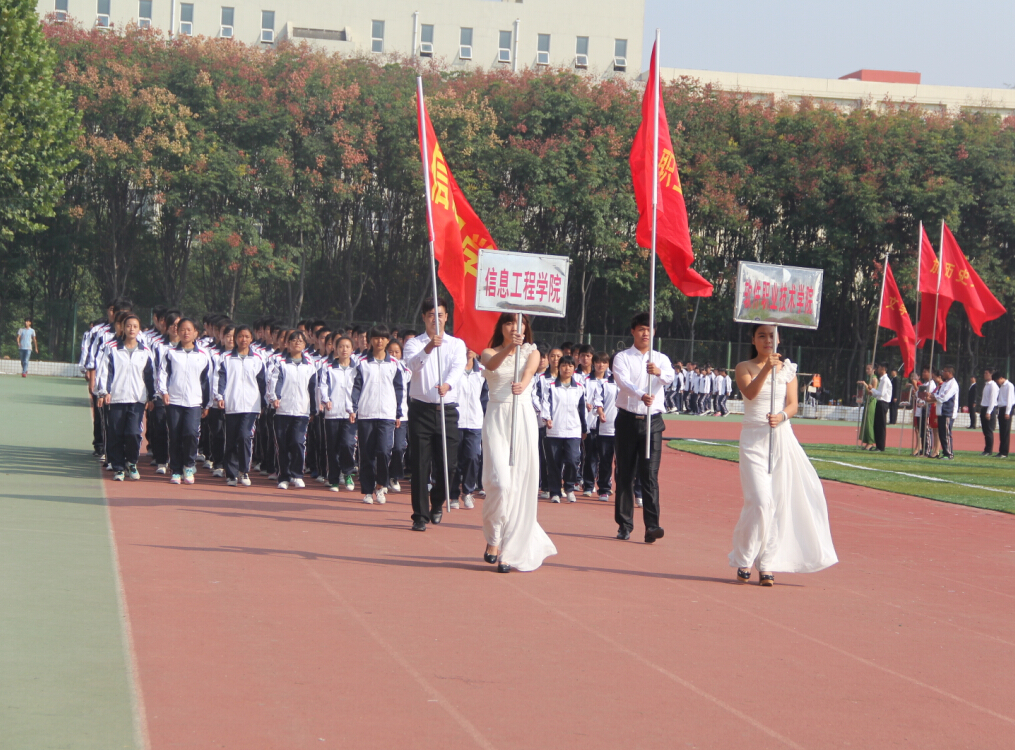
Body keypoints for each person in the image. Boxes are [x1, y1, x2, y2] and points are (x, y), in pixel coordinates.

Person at [730, 324, 838, 586]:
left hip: (780, 438)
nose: (768, 340)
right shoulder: (744, 367)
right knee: (760, 501)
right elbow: (750, 393)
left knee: (777, 501)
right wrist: (766, 369)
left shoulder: (788, 370)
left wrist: (781, 416)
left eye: (772, 335)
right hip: (754, 439)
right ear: (753, 340)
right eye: (762, 336)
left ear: (779, 339)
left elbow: (792, 404)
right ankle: (745, 557)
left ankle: (767, 563)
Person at [480, 313, 557, 573]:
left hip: (522, 417)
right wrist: (509, 348)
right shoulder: (489, 352)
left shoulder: (531, 352)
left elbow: (528, 373)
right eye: (510, 322)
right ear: (501, 327)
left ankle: (509, 551)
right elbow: (492, 366)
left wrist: (522, 385)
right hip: (497, 417)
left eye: (520, 322)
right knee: (499, 482)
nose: (515, 327)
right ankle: (494, 537)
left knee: (519, 484)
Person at [403, 298, 466, 531]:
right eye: (430, 315)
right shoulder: (414, 343)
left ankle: (437, 501)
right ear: (423, 317)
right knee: (420, 465)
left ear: (446, 317)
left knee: (449, 466)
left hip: (446, 411)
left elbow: (458, 368)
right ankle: (419, 516)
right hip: (421, 410)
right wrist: (429, 347)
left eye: (439, 315)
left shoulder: (456, 344)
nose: (435, 319)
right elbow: (412, 366)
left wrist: (447, 384)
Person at [611, 312, 673, 544]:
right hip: (628, 419)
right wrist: (640, 394)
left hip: (652, 422)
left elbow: (669, 377)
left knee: (649, 475)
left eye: (649, 329)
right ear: (633, 331)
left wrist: (658, 372)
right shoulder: (622, 357)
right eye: (641, 329)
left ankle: (652, 526)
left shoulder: (661, 359)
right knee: (625, 474)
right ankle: (625, 524)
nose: (645, 333)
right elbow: (623, 382)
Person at [94, 315, 155, 481]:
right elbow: (105, 371)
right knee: (116, 434)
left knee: (133, 433)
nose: (131, 329)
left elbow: (150, 375)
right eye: (128, 326)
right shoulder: (112, 348)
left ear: (139, 329)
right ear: (123, 328)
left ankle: (132, 462)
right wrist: (104, 392)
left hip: (137, 399)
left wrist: (151, 396)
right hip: (116, 398)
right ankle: (119, 468)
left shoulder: (145, 351)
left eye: (135, 326)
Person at [351, 325, 404, 504]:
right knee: (366, 454)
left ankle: (381, 486)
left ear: (388, 340)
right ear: (370, 340)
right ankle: (367, 490)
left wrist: (398, 413)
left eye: (383, 338)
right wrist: (353, 408)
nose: (379, 341)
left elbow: (399, 389)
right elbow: (356, 386)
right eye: (376, 338)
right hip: (366, 413)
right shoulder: (362, 362)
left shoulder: (395, 364)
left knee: (384, 451)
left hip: (387, 414)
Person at [157, 318, 214, 485]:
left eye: (189, 329)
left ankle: (189, 465)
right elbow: (163, 373)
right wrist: (164, 391)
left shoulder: (203, 354)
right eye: (182, 329)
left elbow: (208, 380)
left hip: (194, 402)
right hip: (174, 400)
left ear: (196, 333)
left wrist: (207, 403)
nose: (186, 332)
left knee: (190, 433)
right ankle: (175, 470)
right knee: (174, 435)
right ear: (178, 331)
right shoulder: (170, 353)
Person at [215, 325, 267, 487]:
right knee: (231, 440)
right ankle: (231, 474)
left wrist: (263, 403)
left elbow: (262, 383)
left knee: (245, 436)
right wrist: (220, 396)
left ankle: (244, 471)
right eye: (240, 336)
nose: (243, 339)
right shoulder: (226, 358)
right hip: (232, 404)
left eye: (247, 336)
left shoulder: (258, 359)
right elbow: (220, 379)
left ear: (251, 339)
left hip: (251, 406)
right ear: (236, 338)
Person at [267, 330, 319, 490]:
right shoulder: (281, 363)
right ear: (288, 344)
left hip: (301, 411)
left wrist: (313, 410)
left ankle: (297, 474)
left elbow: (313, 388)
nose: (297, 343)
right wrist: (275, 397)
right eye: (294, 340)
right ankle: (283, 476)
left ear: (305, 345)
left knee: (297, 442)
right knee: (282, 445)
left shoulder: (310, 366)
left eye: (300, 341)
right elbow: (275, 381)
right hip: (282, 410)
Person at [542, 355, 588, 504]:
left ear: (574, 368)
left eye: (570, 366)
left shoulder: (579, 388)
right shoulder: (550, 386)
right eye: (563, 365)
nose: (567, 368)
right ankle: (555, 492)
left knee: (573, 460)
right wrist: (547, 418)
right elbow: (546, 404)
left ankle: (569, 487)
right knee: (554, 463)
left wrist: (584, 428)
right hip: (554, 430)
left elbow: (582, 409)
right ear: (559, 367)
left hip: (573, 430)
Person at [318, 335, 359, 492]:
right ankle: (334, 479)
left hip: (350, 413)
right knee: (333, 447)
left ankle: (347, 473)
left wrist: (355, 407)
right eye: (341, 346)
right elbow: (323, 385)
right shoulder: (328, 367)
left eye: (347, 346)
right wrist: (326, 400)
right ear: (335, 348)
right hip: (332, 413)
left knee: (348, 444)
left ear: (352, 349)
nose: (344, 350)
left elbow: (359, 388)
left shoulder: (357, 368)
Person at [451, 349, 486, 510]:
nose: (468, 351)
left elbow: (485, 397)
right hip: (455, 421)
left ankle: (468, 491)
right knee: (455, 460)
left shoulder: (482, 371)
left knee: (473, 457)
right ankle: (453, 495)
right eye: (465, 347)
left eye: (471, 347)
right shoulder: (453, 369)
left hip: (474, 421)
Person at [927, 365, 958, 459]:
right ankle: (945, 452)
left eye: (944, 371)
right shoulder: (945, 383)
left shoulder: (952, 384)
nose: (943, 373)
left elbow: (944, 397)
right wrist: (931, 395)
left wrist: (932, 397)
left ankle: (949, 454)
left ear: (950, 373)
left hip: (948, 412)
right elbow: (937, 394)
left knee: (946, 434)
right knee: (942, 433)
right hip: (941, 411)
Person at [859, 363, 892, 452]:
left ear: (884, 369)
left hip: (883, 402)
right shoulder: (882, 379)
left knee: (880, 426)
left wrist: (872, 390)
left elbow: (881, 393)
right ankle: (878, 445)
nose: (878, 369)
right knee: (877, 425)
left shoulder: (885, 380)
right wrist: (872, 392)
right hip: (879, 402)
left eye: (880, 367)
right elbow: (878, 393)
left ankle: (880, 446)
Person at [991, 372, 1013, 458]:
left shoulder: (1009, 386)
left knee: (1005, 432)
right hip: (1001, 408)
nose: (997, 382)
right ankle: (1001, 451)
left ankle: (1004, 452)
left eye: (997, 381)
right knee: (1002, 431)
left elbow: (1010, 400)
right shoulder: (1002, 387)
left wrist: (1007, 412)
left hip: (1006, 409)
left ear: (1001, 378)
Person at [858, 363, 877, 450]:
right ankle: (867, 441)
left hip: (872, 402)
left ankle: (871, 442)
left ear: (873, 369)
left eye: (869, 369)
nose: (867, 370)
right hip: (867, 401)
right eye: (866, 369)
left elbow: (872, 391)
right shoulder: (869, 378)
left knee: (869, 422)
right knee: (865, 421)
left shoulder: (874, 379)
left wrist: (865, 385)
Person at [980, 368, 997, 456]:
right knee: (985, 430)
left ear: (991, 374)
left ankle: (989, 450)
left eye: (986, 373)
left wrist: (989, 412)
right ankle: (986, 449)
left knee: (988, 431)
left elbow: (992, 400)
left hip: (989, 409)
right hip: (984, 407)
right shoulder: (986, 384)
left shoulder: (993, 385)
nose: (985, 374)